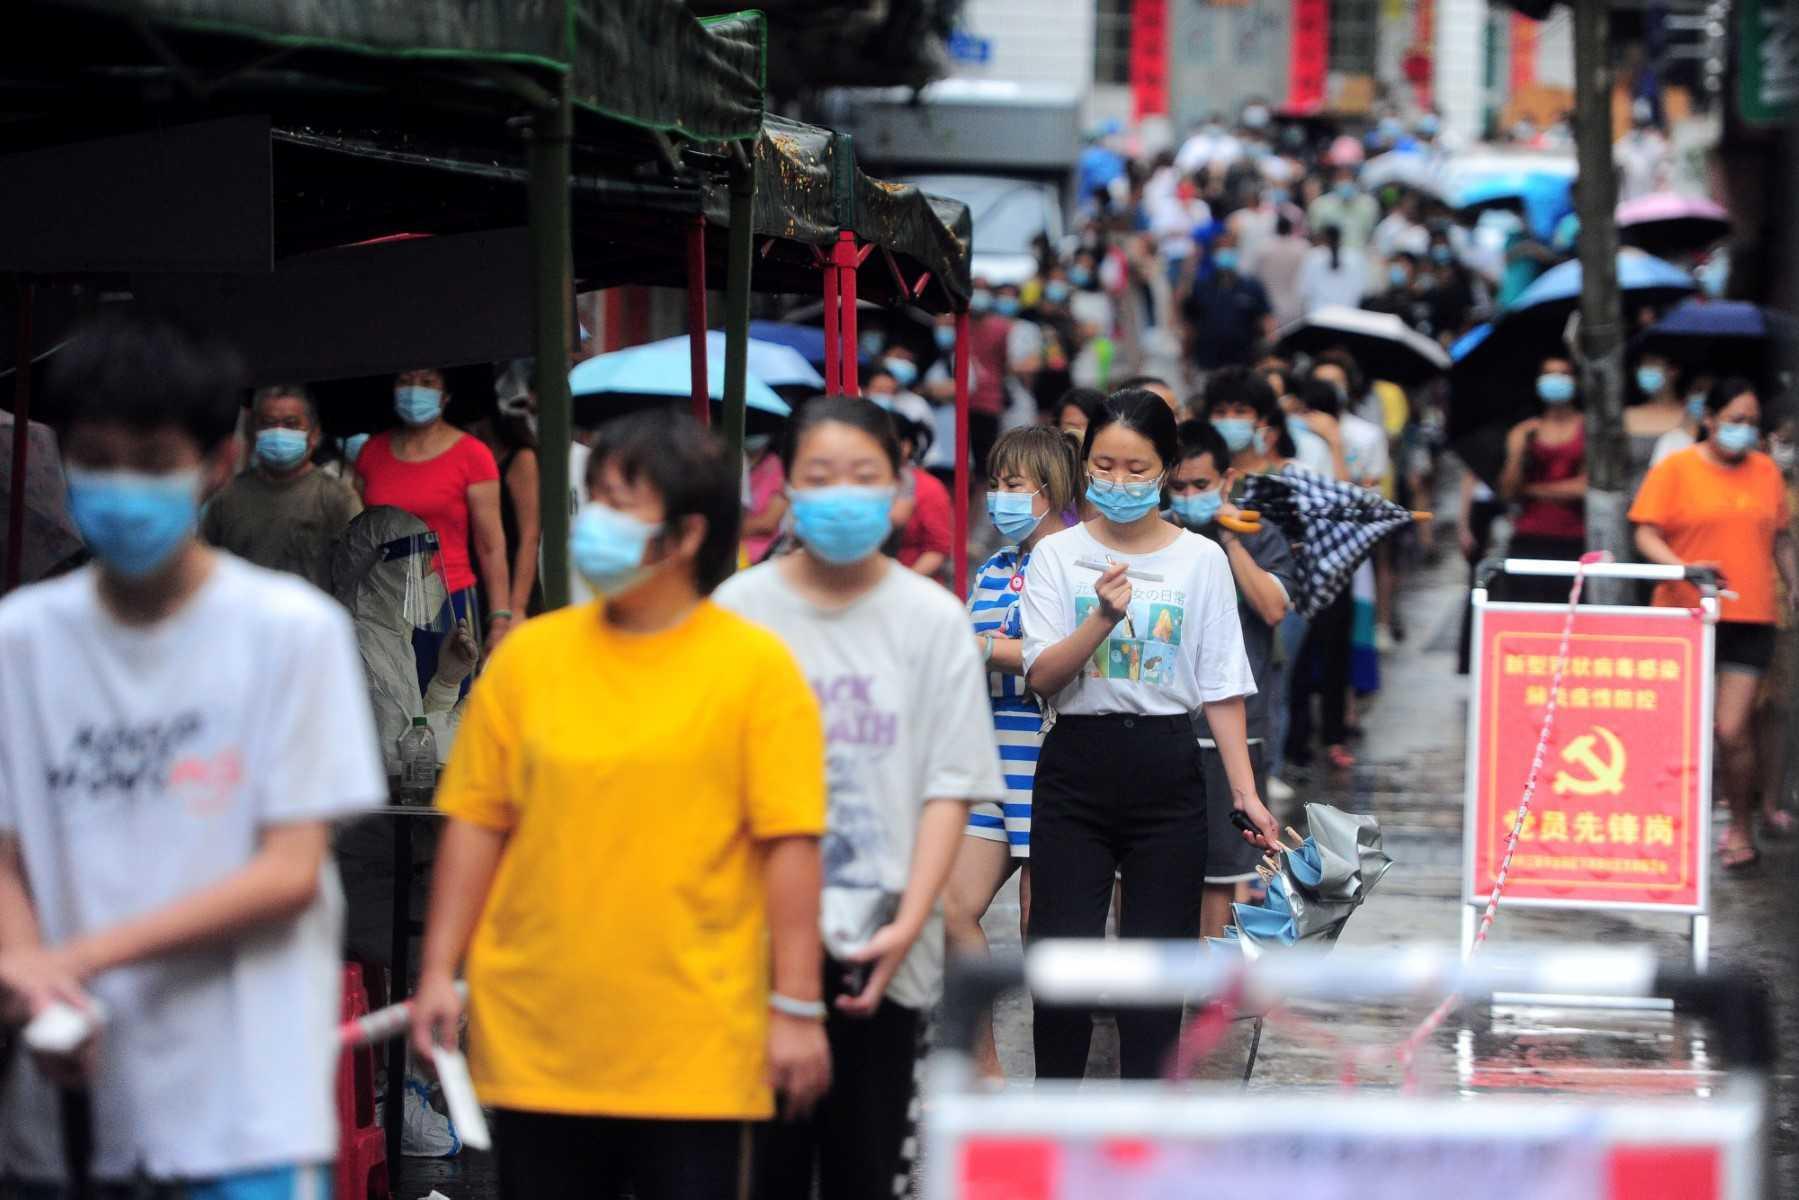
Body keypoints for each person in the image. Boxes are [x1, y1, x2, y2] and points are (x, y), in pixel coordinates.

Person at [0, 314, 385, 1198]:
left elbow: (288, 871)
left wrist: (80, 959)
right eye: (96, 460)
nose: (121, 487)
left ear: (217, 463)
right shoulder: (21, 638)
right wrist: (27, 971)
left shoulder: (289, 635)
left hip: (238, 1113)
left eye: (152, 461)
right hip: (62, 1113)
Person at [409, 412, 832, 1199]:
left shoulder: (754, 671)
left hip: (697, 1042)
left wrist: (797, 1008)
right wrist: (439, 970)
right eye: (593, 496)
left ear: (684, 535)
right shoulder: (528, 661)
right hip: (539, 1037)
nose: (593, 521)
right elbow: (475, 823)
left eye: (620, 502)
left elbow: (790, 848)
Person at [713, 396, 1005, 1196]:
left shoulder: (932, 620)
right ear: (786, 489)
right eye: (820, 475)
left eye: (862, 475)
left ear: (900, 488)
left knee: (864, 1166)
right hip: (750, 943)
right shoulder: (738, 612)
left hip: (885, 942)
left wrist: (913, 922)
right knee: (755, 1172)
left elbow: (951, 786)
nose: (842, 492)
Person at [1020, 388, 1279, 1081]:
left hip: (1166, 765)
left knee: (1157, 968)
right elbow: (1042, 675)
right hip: (1074, 765)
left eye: (1137, 469)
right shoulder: (1055, 556)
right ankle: (1051, 1121)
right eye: (1103, 466)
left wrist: (1246, 794)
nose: (1118, 482)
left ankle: (1142, 1132)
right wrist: (1100, 619)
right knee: (1061, 960)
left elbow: (1222, 684)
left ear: (1164, 469)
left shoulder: (1200, 560)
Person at [943, 426, 1080, 1080]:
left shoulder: (1075, 562)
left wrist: (977, 648)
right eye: (994, 484)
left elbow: (1061, 659)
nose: (997, 497)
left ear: (1049, 491)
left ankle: (1051, 1082)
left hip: (1049, 757)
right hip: (987, 757)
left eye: (1011, 485)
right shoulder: (995, 567)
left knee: (1042, 932)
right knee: (951, 908)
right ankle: (987, 1074)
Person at [1630, 379, 1798, 873]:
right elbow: (1644, 532)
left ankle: (1740, 828)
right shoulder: (1676, 468)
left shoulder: (1766, 472)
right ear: (1710, 419)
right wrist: (1681, 566)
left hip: (1750, 614)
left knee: (1732, 730)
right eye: (1735, 420)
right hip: (1683, 613)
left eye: (1752, 423)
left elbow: (1781, 537)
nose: (1744, 431)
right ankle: (1662, 829)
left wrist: (1793, 581)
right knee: (1672, 730)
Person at [1168, 420, 1297, 939]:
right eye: (1178, 487)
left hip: (1239, 724)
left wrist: (1227, 539)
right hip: (1169, 718)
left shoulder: (1259, 534)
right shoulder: (1158, 537)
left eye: (1201, 485)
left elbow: (1271, 608)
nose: (1190, 496)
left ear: (1227, 480)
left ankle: (1207, 976)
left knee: (1223, 868)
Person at [355, 367, 514, 683]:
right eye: (405, 381)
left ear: (445, 396)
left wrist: (500, 617)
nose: (415, 390)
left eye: (427, 382)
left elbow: (490, 544)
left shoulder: (472, 454)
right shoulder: (371, 452)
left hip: (448, 600)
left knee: (446, 703)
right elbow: (359, 535)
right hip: (384, 604)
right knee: (389, 708)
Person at [199, 382, 362, 591]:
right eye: (268, 423)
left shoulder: (337, 498)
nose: (278, 432)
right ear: (253, 431)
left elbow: (356, 576)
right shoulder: (226, 495)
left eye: (291, 424)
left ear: (314, 434)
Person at [1497, 355, 1588, 604]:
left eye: (1562, 373)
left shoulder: (1587, 428)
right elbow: (1508, 491)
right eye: (1549, 374)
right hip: (1529, 537)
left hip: (1575, 539)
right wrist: (1518, 453)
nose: (1555, 380)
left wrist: (1531, 489)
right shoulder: (1524, 431)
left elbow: (1583, 488)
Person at [475, 361, 545, 619]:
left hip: (514, 589)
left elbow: (529, 537)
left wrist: (517, 607)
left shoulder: (521, 458)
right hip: (480, 585)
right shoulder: (474, 457)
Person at [1182, 233, 1274, 375]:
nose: (1225, 254)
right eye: (1220, 249)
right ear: (1213, 254)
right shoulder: (1201, 287)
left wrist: (1269, 357)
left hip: (1244, 363)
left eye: (1229, 249)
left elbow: (1266, 321)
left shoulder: (1251, 286)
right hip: (1209, 362)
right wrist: (1186, 361)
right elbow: (1190, 326)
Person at [1624, 352, 1688, 497]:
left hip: (1679, 506)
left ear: (1673, 370)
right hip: (1633, 506)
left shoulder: (1691, 417)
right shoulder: (1628, 415)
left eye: (1652, 365)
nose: (1645, 371)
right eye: (1642, 366)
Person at [1253, 214, 1313, 330]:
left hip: (1269, 304)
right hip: (1295, 306)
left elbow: (1255, 275)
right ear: (1291, 229)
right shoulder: (1303, 248)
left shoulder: (1263, 248)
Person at [1298, 225, 1368, 314]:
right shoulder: (1356, 257)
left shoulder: (1313, 257)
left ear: (1324, 238)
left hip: (1319, 314)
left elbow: (1304, 290)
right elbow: (1362, 290)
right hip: (1348, 315)